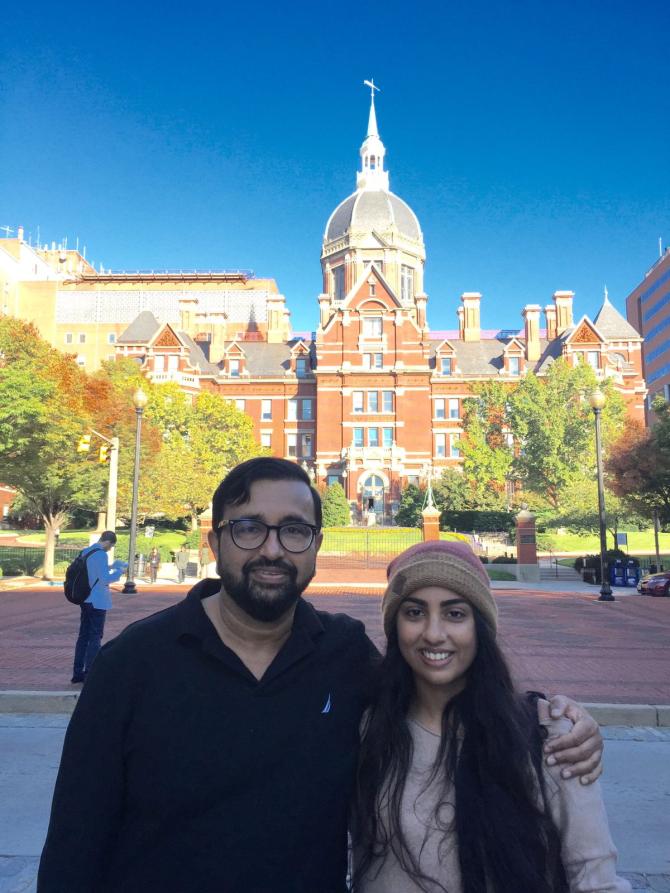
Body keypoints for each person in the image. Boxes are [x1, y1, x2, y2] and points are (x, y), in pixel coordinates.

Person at [40, 458, 603, 893]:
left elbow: (439, 682)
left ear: (314, 548)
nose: (271, 549)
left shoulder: (343, 653)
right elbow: (73, 846)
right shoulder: (131, 666)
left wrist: (551, 717)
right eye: (248, 529)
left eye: (293, 531)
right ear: (213, 542)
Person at [352, 540, 630, 893]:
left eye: (455, 614)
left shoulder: (550, 736)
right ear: (394, 626)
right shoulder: (367, 730)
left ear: (480, 626)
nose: (434, 634)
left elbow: (596, 879)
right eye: (414, 612)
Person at [70, 531, 126, 685]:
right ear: (108, 542)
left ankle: (77, 672)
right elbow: (104, 579)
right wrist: (119, 571)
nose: (110, 549)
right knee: (95, 637)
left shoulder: (86, 551)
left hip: (84, 599)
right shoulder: (101, 554)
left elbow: (93, 572)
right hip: (98, 601)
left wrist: (111, 566)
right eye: (111, 546)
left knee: (83, 636)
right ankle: (90, 673)